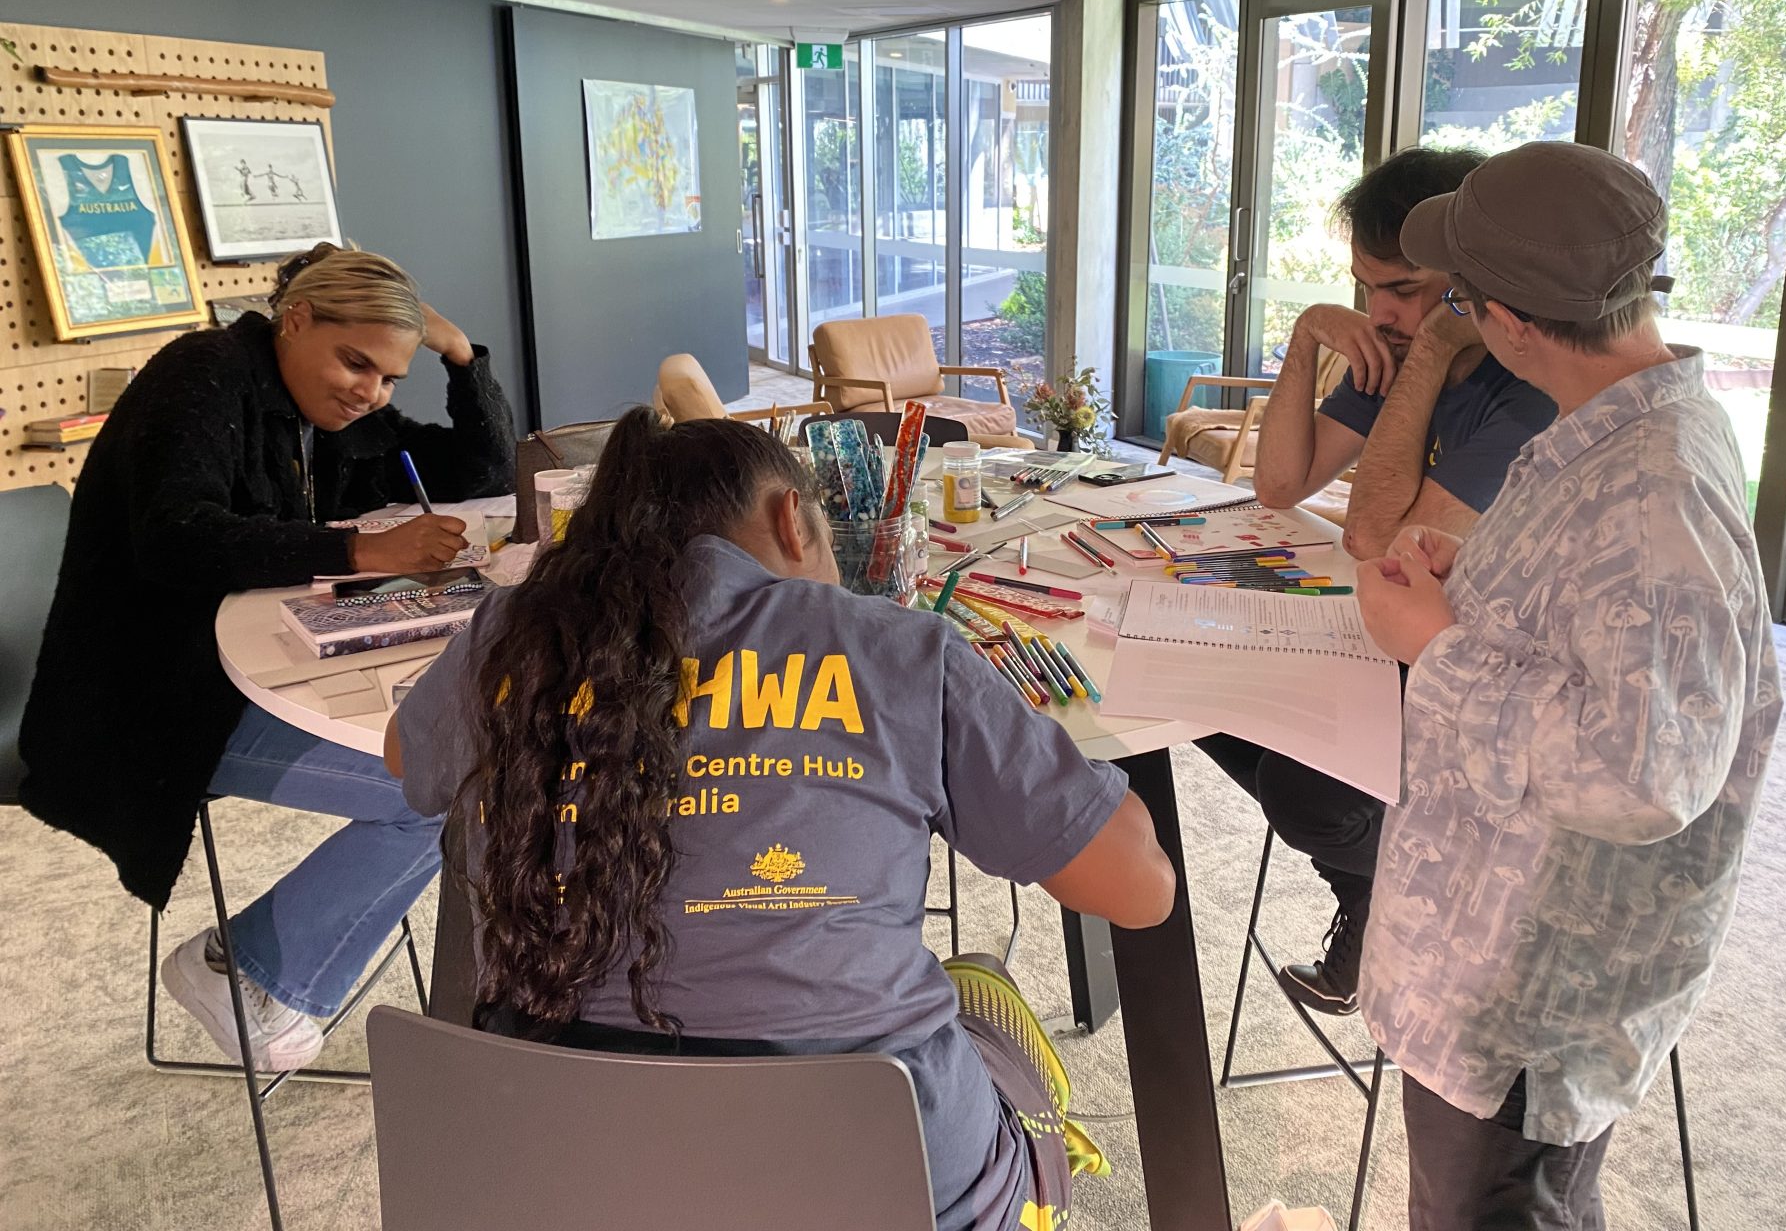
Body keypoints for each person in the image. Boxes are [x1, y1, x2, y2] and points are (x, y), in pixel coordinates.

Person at [387, 410, 1175, 1231]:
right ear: (791, 520)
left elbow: (406, 756)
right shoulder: (894, 649)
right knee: (981, 989)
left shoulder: (509, 638)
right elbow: (1141, 891)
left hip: (555, 1183)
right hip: (886, 1189)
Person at [1353, 141, 1780, 1230]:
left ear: (1510, 322)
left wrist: (1438, 651)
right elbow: (1594, 635)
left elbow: (1644, 772)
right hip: (1490, 962)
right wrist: (1482, 590)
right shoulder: (1615, 433)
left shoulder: (1656, 488)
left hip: (1525, 1003)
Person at [20, 243, 515, 1073]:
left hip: (254, 663)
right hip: (150, 694)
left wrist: (463, 359)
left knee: (469, 758)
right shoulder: (204, 373)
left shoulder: (329, 411)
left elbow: (483, 469)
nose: (371, 392)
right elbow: (174, 539)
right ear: (295, 320)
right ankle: (239, 968)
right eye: (356, 363)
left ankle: (269, 966)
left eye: (391, 378)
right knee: (448, 785)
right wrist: (357, 553)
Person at [1200, 147, 1557, 1016]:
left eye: (1404, 289)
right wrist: (1302, 341)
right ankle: (1370, 895)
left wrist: (1432, 349)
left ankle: (1396, 897)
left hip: (1491, 679)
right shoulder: (1393, 351)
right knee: (1211, 693)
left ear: (1474, 282)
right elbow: (1281, 484)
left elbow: (1373, 537)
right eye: (1365, 287)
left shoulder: (1526, 394)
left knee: (1303, 785)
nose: (1381, 312)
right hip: (1402, 631)